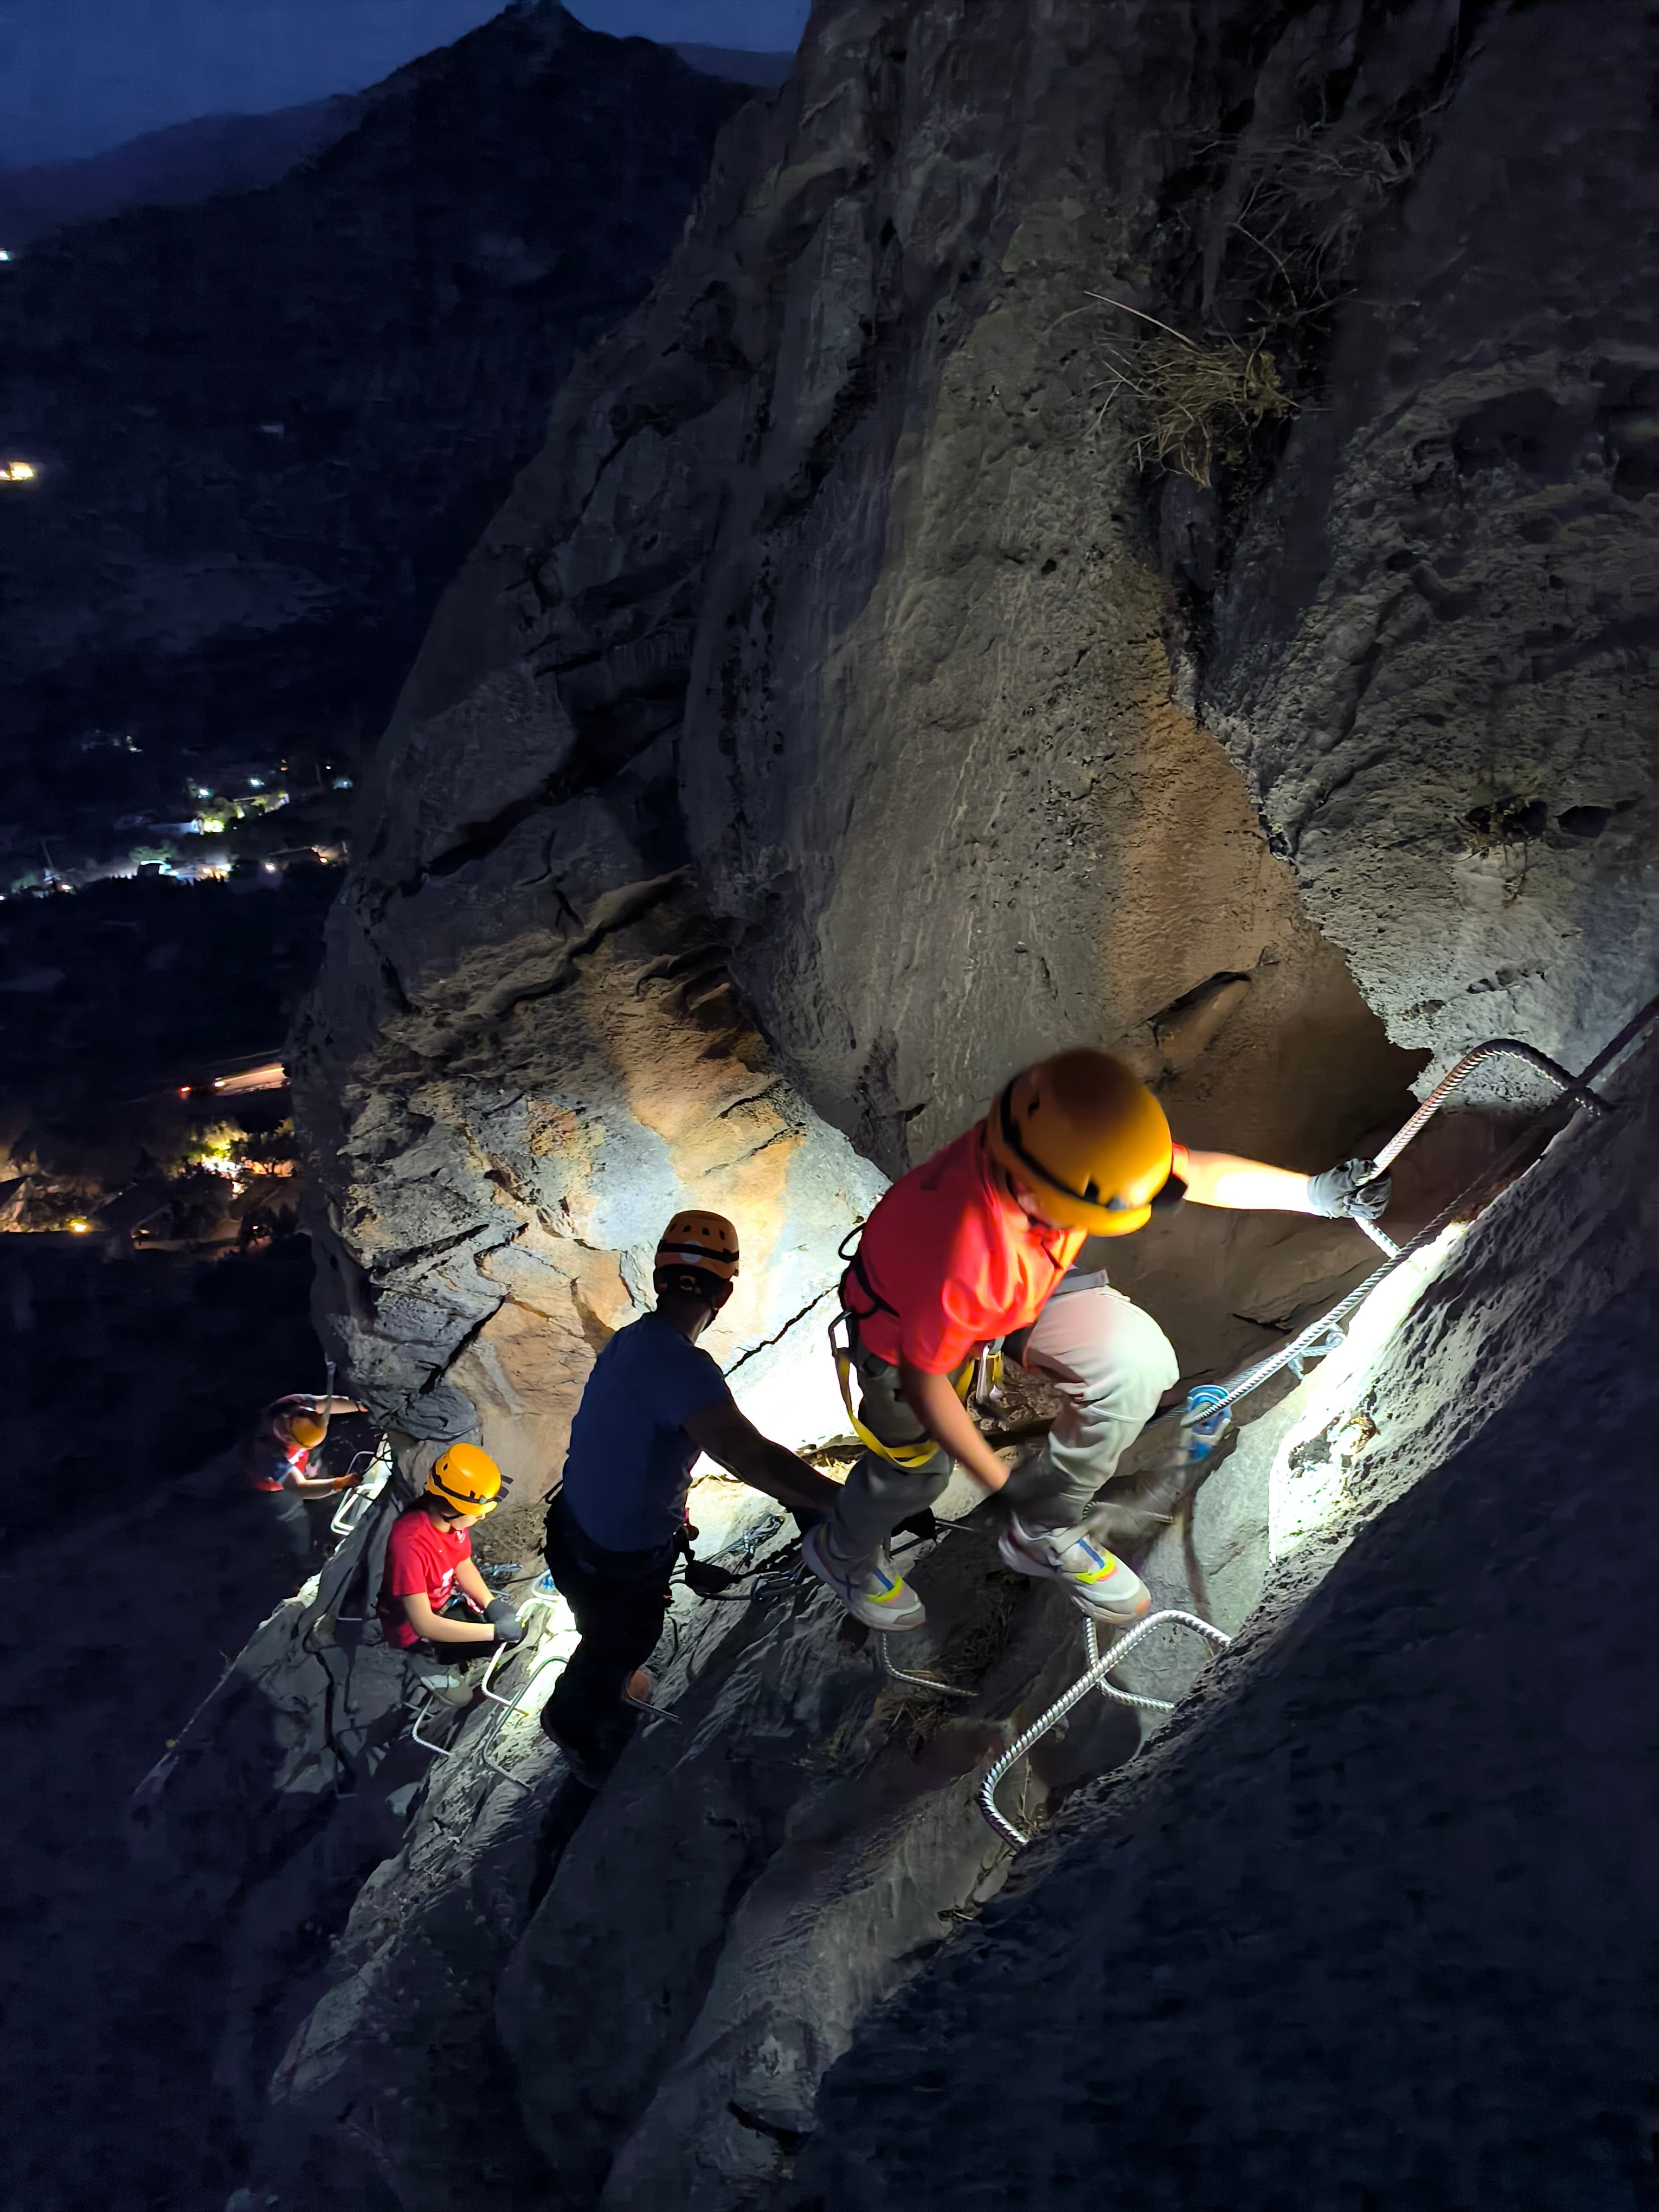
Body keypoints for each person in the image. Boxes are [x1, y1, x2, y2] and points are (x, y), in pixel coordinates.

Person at [802, 1047, 1391, 1632]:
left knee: (1134, 1362)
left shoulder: (1064, 1143)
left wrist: (1314, 1193)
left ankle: (1045, 1531)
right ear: (1044, 1196)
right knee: (915, 1475)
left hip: (1021, 1287)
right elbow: (926, 1383)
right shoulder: (965, 1249)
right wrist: (1006, 1484)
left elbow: (1189, 1171)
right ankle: (843, 1551)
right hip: (909, 1337)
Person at [541, 1210, 842, 1788]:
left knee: (606, 1632)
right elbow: (744, 1455)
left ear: (659, 1279)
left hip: (575, 1535)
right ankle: (575, 1721)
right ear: (724, 1293)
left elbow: (633, 1444)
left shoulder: (633, 1342)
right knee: (625, 1637)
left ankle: (606, 1683)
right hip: (614, 1564)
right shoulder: (683, 1366)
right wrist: (841, 1501)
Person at [377, 1442, 525, 1697]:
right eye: (477, 1512)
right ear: (452, 1506)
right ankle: (427, 1660)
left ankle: (456, 1642)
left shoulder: (452, 1523)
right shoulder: (409, 1543)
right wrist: (492, 1631)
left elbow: (461, 1562)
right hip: (415, 1631)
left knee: (517, 1632)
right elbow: (423, 1624)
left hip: (442, 1603)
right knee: (491, 1653)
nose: (482, 1517)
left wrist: (490, 1603)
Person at [247, 1390, 366, 1565]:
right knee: (293, 1516)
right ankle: (302, 1558)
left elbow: (328, 1403)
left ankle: (315, 1477)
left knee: (314, 1467)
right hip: (274, 1486)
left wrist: (360, 1406)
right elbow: (300, 1488)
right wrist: (340, 1483)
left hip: (299, 1463)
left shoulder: (296, 1406)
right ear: (289, 1439)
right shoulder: (269, 1454)